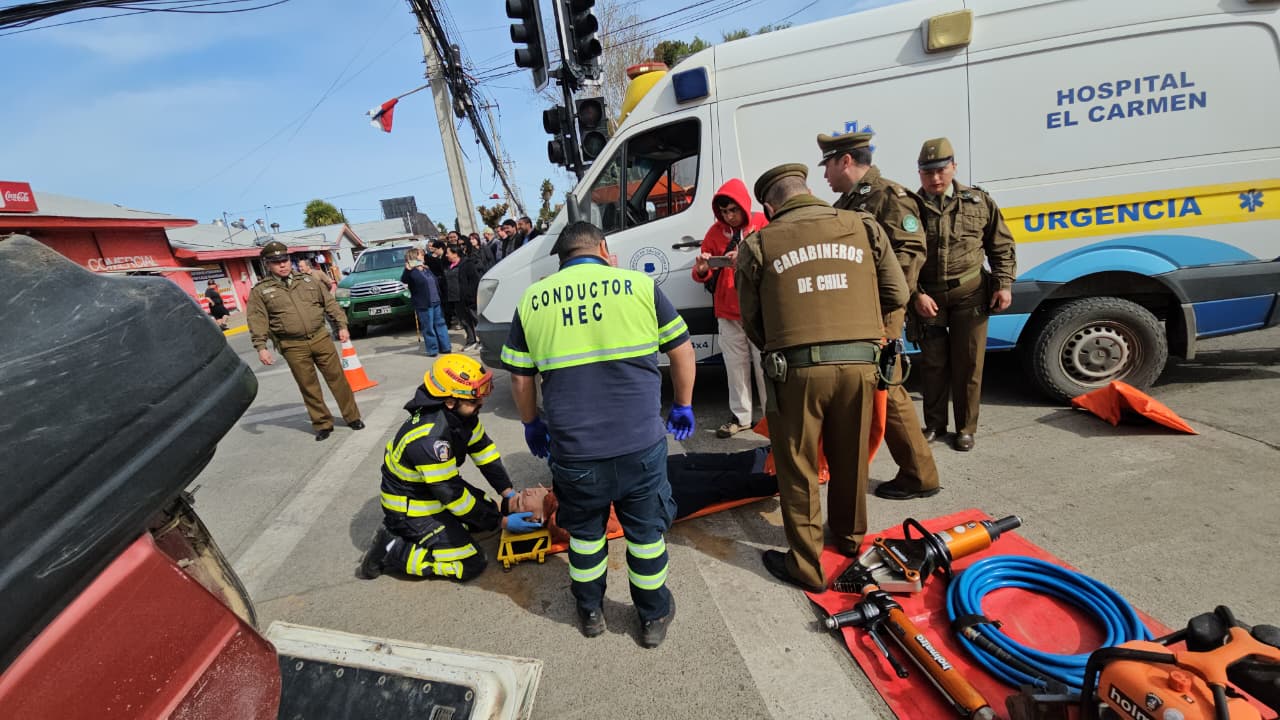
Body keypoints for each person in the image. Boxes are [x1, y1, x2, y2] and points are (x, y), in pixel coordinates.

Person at [501, 220, 695, 648]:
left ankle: (590, 611)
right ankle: (652, 617)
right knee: (645, 537)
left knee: (586, 537)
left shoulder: (532, 299)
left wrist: (532, 422)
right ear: (603, 248)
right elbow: (681, 349)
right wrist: (682, 404)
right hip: (640, 446)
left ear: (560, 258)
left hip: (576, 453)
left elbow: (519, 377)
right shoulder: (639, 286)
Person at [736, 164, 908, 592]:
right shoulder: (863, 226)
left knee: (799, 465)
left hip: (796, 371)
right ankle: (849, 539)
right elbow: (897, 293)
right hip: (862, 365)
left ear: (769, 206)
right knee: (850, 455)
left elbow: (751, 322)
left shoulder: (759, 243)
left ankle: (806, 566)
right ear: (807, 190)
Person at [817, 132, 941, 500]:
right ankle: (918, 472)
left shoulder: (889, 197)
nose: (824, 175)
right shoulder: (849, 203)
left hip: (878, 314)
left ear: (845, 161)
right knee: (884, 388)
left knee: (887, 388)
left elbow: (909, 258)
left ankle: (920, 475)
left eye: (827, 165)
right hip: (861, 312)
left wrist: (876, 306)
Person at [357, 354, 542, 582]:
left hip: (432, 489)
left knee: (485, 510)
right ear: (450, 401)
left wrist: (508, 492)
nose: (481, 403)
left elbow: (484, 453)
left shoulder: (460, 417)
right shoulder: (429, 440)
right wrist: (500, 522)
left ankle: (448, 528)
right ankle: (392, 549)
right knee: (471, 562)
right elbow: (452, 495)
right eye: (473, 400)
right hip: (411, 509)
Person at [912, 138, 1017, 452]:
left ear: (954, 167)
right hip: (928, 298)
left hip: (970, 293)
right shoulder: (909, 208)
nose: (935, 178)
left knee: (969, 365)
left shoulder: (978, 202)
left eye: (941, 170)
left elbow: (1001, 245)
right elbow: (899, 258)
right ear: (919, 173)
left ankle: (966, 428)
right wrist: (915, 295)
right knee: (933, 365)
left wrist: (1003, 284)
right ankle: (934, 424)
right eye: (927, 172)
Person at [247, 241, 364, 441]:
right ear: (267, 264)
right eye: (276, 262)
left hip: (320, 338)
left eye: (284, 260)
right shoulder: (261, 290)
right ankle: (322, 424)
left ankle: (352, 417)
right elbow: (257, 320)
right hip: (292, 345)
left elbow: (329, 303)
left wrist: (342, 325)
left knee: (338, 379)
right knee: (308, 385)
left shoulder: (308, 281)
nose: (282, 265)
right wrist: (261, 347)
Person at [691, 179, 769, 439]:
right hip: (727, 312)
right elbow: (701, 273)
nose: (729, 216)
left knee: (765, 368)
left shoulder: (762, 224)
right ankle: (741, 417)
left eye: (733, 210)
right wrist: (702, 269)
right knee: (736, 368)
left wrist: (745, 257)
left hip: (758, 311)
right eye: (724, 211)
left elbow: (774, 261)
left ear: (743, 206)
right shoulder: (715, 232)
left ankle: (772, 418)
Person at [401, 247, 451, 356]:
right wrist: (407, 270)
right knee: (428, 327)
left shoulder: (426, 269)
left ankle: (445, 347)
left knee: (441, 324)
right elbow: (404, 280)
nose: (423, 256)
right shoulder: (411, 272)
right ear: (415, 257)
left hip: (436, 301)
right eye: (421, 255)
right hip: (424, 304)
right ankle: (433, 349)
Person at [444, 244, 480, 350]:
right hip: (456, 298)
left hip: (468, 298)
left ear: (455, 254)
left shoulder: (467, 264)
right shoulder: (449, 266)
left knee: (476, 319)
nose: (446, 255)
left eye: (448, 253)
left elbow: (474, 281)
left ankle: (483, 340)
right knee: (464, 321)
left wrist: (471, 295)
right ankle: (471, 340)